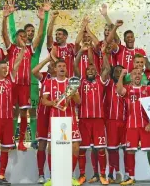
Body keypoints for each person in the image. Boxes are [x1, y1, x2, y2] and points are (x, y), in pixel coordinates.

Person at [7, 0, 51, 149]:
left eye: (33, 31)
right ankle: (12, 139)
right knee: (15, 111)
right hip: (16, 83)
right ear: (23, 34)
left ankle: (34, 138)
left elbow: (42, 33)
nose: (31, 33)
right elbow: (12, 31)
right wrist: (11, 15)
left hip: (31, 84)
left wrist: (44, 16)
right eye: (28, 31)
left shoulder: (35, 49)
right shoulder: (18, 46)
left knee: (32, 111)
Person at [0, 35, 25, 185]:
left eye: (6, 68)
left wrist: (23, 49)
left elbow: (17, 64)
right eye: (2, 68)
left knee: (6, 148)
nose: (6, 70)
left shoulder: (10, 80)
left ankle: (2, 176)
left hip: (8, 120)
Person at [117, 68, 150, 186]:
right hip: (131, 126)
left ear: (142, 76)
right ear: (131, 77)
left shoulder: (148, 89)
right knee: (130, 151)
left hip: (146, 126)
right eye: (134, 74)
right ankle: (131, 177)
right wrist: (121, 76)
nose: (137, 76)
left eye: (139, 74)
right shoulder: (127, 88)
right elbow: (119, 90)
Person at [74, 43, 110, 185]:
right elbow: (76, 66)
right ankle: (82, 175)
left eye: (93, 69)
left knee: (100, 148)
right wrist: (80, 53)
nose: (90, 71)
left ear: (96, 71)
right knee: (82, 148)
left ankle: (102, 175)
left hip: (98, 121)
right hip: (83, 120)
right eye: (88, 69)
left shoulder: (100, 81)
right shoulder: (81, 81)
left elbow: (107, 68)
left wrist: (104, 53)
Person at [42, 58, 81, 186]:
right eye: (59, 66)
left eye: (64, 66)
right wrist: (52, 103)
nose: (62, 68)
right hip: (55, 119)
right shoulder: (49, 82)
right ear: (55, 69)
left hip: (70, 119)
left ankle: (70, 175)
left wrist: (73, 93)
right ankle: (53, 177)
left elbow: (79, 101)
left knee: (75, 146)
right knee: (51, 147)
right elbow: (44, 101)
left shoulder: (71, 83)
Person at [32, 54, 56, 184]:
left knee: (55, 145)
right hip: (43, 113)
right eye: (49, 65)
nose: (49, 67)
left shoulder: (61, 78)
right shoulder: (45, 77)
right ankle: (41, 174)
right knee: (42, 143)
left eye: (52, 65)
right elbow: (34, 71)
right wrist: (47, 59)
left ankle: (54, 173)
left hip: (56, 114)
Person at [104, 64, 126, 183]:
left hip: (124, 121)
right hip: (111, 121)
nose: (118, 73)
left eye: (120, 71)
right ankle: (112, 173)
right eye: (116, 71)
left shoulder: (126, 85)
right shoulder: (108, 84)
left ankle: (127, 174)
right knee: (112, 149)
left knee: (126, 149)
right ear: (112, 73)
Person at [47, 11, 77, 77]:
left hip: (68, 80)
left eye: (59, 34)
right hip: (55, 80)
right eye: (56, 34)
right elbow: (49, 35)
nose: (57, 36)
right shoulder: (53, 46)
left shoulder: (71, 46)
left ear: (65, 36)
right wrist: (53, 19)